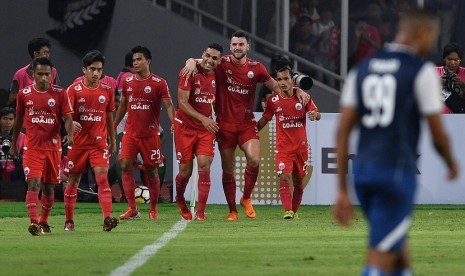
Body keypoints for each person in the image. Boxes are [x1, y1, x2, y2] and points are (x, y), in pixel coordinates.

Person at [333, 9, 459, 275]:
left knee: (397, 249)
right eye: (432, 38)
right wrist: (451, 163)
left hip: (363, 173)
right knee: (380, 255)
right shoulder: (419, 70)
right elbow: (437, 131)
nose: (432, 45)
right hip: (396, 171)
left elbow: (342, 131)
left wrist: (342, 190)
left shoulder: (363, 68)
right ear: (422, 32)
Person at [184, 30, 310, 221]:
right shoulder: (221, 63)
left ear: (247, 47)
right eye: (234, 44)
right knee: (229, 169)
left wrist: (297, 89)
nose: (237, 48)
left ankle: (246, 197)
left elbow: (277, 86)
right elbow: (205, 61)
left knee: (254, 160)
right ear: (230, 46)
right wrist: (191, 60)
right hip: (224, 125)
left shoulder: (257, 68)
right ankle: (232, 210)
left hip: (246, 124)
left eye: (241, 44)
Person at [10, 57, 74, 236]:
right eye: (40, 74)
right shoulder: (24, 94)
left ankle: (44, 221)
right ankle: (34, 223)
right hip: (32, 147)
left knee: (48, 188)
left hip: (53, 148)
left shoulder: (60, 93)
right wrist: (15, 143)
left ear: (52, 74)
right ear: (33, 75)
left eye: (48, 74)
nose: (45, 78)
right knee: (34, 183)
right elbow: (19, 119)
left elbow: (67, 118)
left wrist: (69, 134)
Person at [114, 45, 175, 220]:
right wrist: (114, 123)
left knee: (151, 172)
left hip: (150, 135)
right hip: (130, 134)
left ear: (148, 61)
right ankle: (132, 208)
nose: (136, 63)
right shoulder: (128, 82)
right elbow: (124, 104)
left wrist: (174, 122)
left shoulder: (159, 83)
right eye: (134, 60)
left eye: (139, 59)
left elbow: (169, 105)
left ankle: (153, 209)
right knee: (124, 164)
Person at [64, 50, 118, 232]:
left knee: (102, 178)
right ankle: (69, 221)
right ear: (84, 70)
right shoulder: (73, 90)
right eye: (92, 69)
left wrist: (113, 139)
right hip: (78, 143)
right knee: (73, 181)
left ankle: (107, 219)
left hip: (99, 143)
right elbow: (66, 115)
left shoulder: (107, 90)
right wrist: (73, 123)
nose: (96, 73)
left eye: (99, 70)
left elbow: (109, 117)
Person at [257, 66, 320, 219]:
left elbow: (317, 114)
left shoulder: (303, 98)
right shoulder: (273, 101)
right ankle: (287, 211)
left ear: (292, 80)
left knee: (298, 182)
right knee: (284, 177)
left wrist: (313, 114)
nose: (282, 82)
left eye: (286, 79)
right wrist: (251, 132)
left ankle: (294, 211)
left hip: (301, 148)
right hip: (283, 148)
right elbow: (265, 119)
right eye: (279, 79)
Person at [174, 43, 223, 221]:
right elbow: (182, 103)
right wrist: (191, 61)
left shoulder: (218, 72)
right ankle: (180, 199)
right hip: (185, 127)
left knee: (204, 164)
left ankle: (201, 212)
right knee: (185, 172)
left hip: (205, 129)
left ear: (219, 61)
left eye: (214, 58)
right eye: (207, 56)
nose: (210, 61)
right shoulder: (189, 72)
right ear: (203, 54)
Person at [9, 38, 59, 108]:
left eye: (48, 52)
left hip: (47, 115)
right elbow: (12, 99)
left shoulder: (53, 71)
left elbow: (57, 94)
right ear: (36, 53)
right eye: (45, 52)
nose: (47, 55)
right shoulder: (19, 74)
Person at [435, 42, 465, 114]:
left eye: (456, 60)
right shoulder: (434, 72)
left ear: (460, 60)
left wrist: (462, 85)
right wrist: (437, 83)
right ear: (444, 59)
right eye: (449, 59)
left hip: (460, 117)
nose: (452, 63)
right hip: (439, 116)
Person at [0, 107, 25, 183]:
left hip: (17, 175)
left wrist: (17, 156)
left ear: (15, 121)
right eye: (5, 118)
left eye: (11, 119)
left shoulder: (23, 137)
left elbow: (27, 158)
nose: (8, 122)